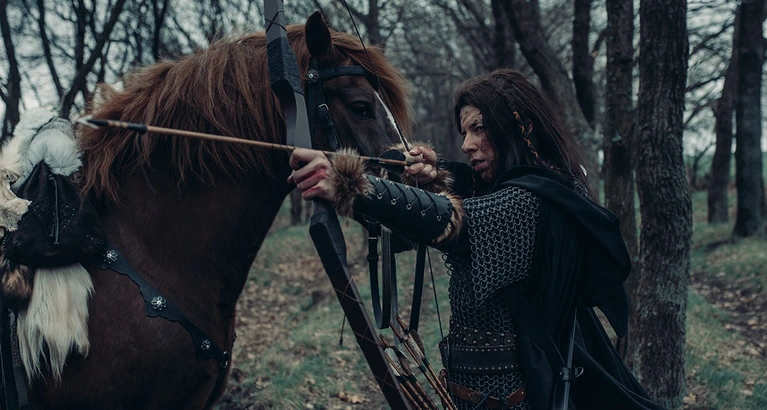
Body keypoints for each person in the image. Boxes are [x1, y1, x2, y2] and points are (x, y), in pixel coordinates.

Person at [288, 69, 665, 410]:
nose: (467, 144)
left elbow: (452, 221)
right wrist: (429, 174)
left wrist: (350, 183)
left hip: (506, 397)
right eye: (465, 132)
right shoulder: (541, 185)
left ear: (520, 128)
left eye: (479, 128)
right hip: (485, 393)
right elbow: (465, 190)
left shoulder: (529, 201)